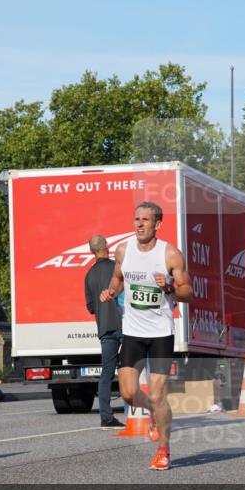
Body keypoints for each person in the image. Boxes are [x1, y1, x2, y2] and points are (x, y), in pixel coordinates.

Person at [100, 202, 192, 471]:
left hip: (161, 333)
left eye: (145, 220)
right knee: (128, 394)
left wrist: (171, 287)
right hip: (133, 333)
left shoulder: (171, 254)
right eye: (136, 219)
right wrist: (111, 292)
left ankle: (163, 451)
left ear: (157, 224)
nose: (139, 224)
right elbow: (118, 278)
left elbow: (188, 292)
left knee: (159, 394)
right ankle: (153, 411)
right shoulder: (123, 250)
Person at [84, 234, 124, 429]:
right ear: (107, 246)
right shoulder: (117, 268)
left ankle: (106, 417)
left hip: (105, 328)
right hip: (126, 325)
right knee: (131, 369)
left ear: (91, 251)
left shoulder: (89, 275)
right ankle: (134, 411)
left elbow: (91, 307)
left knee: (106, 373)